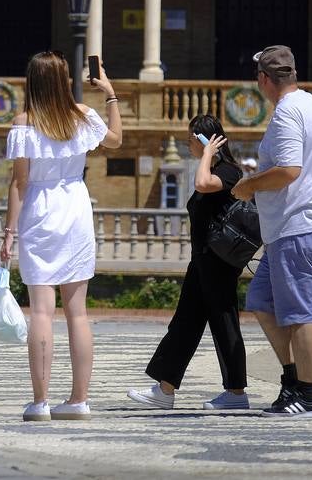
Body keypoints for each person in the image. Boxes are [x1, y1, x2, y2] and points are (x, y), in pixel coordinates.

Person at [1, 51, 123, 422]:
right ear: (64, 79)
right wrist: (111, 93)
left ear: (32, 81)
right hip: (75, 205)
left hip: (39, 208)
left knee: (41, 309)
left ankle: (40, 403)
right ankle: (78, 400)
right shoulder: (83, 115)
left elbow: (20, 184)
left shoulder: (24, 123)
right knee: (78, 312)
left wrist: (8, 232)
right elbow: (116, 140)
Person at [231, 45, 312, 418]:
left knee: (299, 313)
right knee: (261, 302)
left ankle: (308, 396)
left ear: (263, 79)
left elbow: (289, 169)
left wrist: (249, 185)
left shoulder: (288, 113)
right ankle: (292, 379)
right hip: (291, 227)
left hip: (297, 225)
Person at [127, 114, 249, 411]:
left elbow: (203, 183)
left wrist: (207, 154)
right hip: (203, 261)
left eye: (191, 140)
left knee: (224, 322)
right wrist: (206, 156)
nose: (188, 145)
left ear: (204, 140)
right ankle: (165, 389)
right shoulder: (215, 166)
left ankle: (236, 392)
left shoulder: (230, 171)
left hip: (219, 262)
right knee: (185, 324)